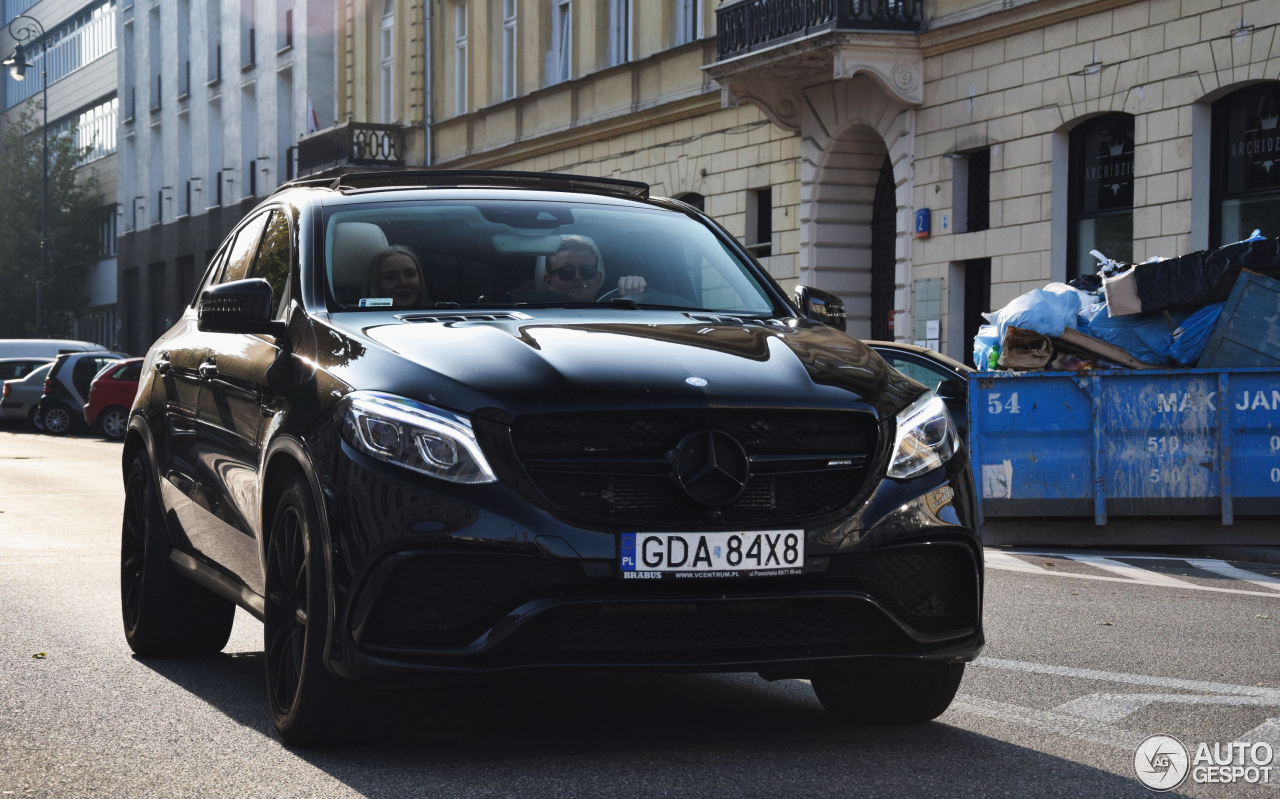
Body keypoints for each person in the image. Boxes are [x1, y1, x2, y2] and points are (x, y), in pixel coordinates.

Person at [540, 235, 646, 301]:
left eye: (587, 270)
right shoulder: (534, 319)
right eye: (567, 271)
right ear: (549, 282)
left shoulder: (617, 316)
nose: (578, 277)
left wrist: (635, 293)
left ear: (598, 279)